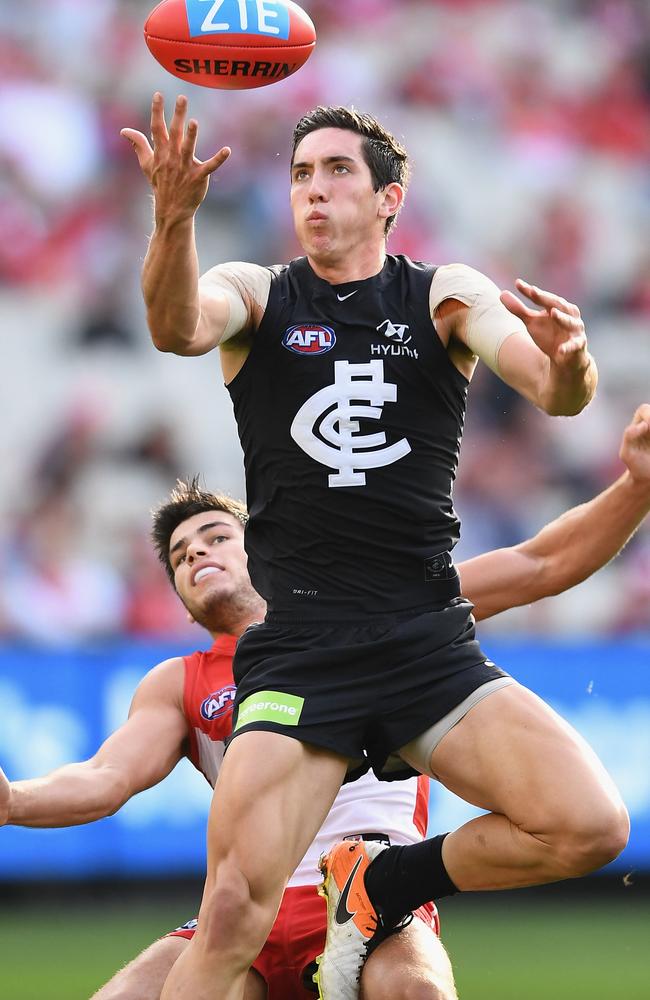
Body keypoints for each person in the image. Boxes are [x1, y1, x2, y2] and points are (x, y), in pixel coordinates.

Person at [121, 94, 625, 1000]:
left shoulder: (444, 294)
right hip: (304, 650)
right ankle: (362, 888)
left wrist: (573, 361)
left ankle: (381, 883)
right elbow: (174, 327)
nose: (314, 191)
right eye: (301, 175)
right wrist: (173, 220)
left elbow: (554, 392)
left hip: (424, 639)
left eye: (337, 171)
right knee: (233, 910)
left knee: (590, 827)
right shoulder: (260, 291)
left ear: (391, 197)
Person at [1, 404, 649, 1000]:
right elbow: (105, 778)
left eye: (216, 535)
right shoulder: (177, 682)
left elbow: (541, 563)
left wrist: (635, 487)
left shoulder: (378, 608)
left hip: (374, 914)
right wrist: (14, 802)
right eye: (179, 555)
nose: (196, 550)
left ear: (265, 549)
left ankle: (379, 878)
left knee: (420, 992)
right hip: (241, 916)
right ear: (178, 596)